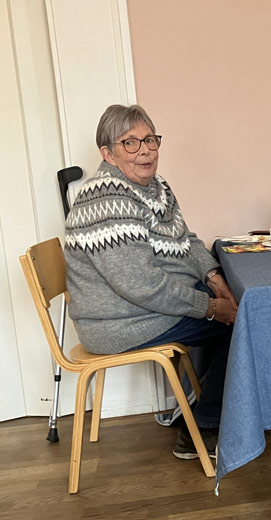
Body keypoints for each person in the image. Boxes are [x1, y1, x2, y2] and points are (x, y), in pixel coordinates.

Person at [64, 104, 238, 460]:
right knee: (244, 322)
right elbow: (142, 285)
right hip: (120, 321)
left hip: (146, 308)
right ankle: (204, 428)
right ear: (107, 153)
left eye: (149, 140)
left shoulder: (155, 187)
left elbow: (185, 240)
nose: (144, 150)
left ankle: (198, 407)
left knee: (238, 303)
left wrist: (214, 277)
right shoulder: (106, 200)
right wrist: (210, 307)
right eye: (130, 142)